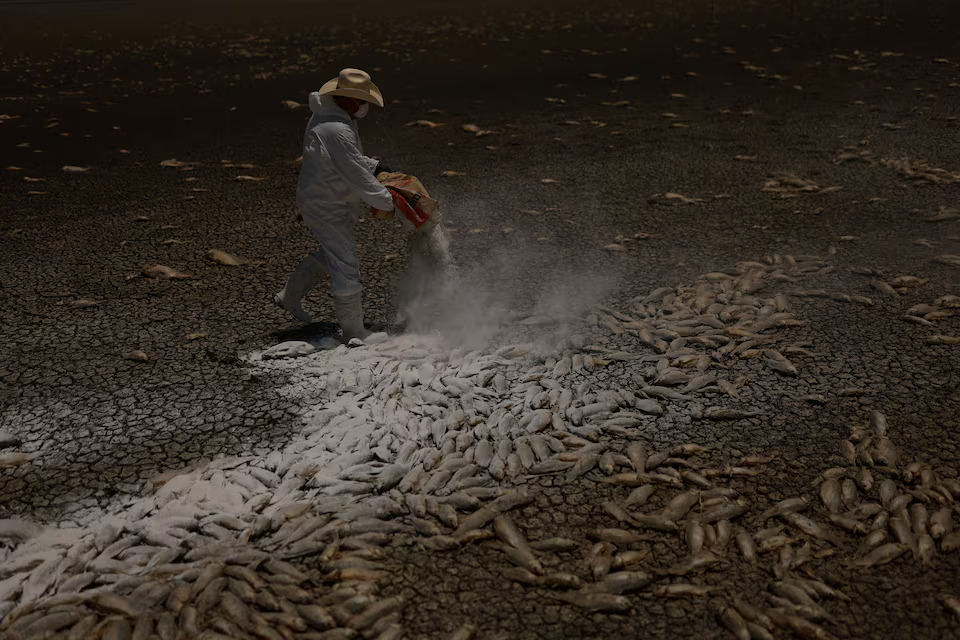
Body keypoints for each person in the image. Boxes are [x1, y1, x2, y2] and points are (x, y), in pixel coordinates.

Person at [274, 68, 394, 341]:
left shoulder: (328, 116)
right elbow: (354, 171)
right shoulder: (337, 129)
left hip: (322, 195)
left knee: (333, 254)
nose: (364, 107)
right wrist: (388, 201)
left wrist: (376, 165)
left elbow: (343, 159)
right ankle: (354, 332)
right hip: (327, 201)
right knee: (346, 263)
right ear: (345, 97)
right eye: (361, 101)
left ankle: (289, 296)